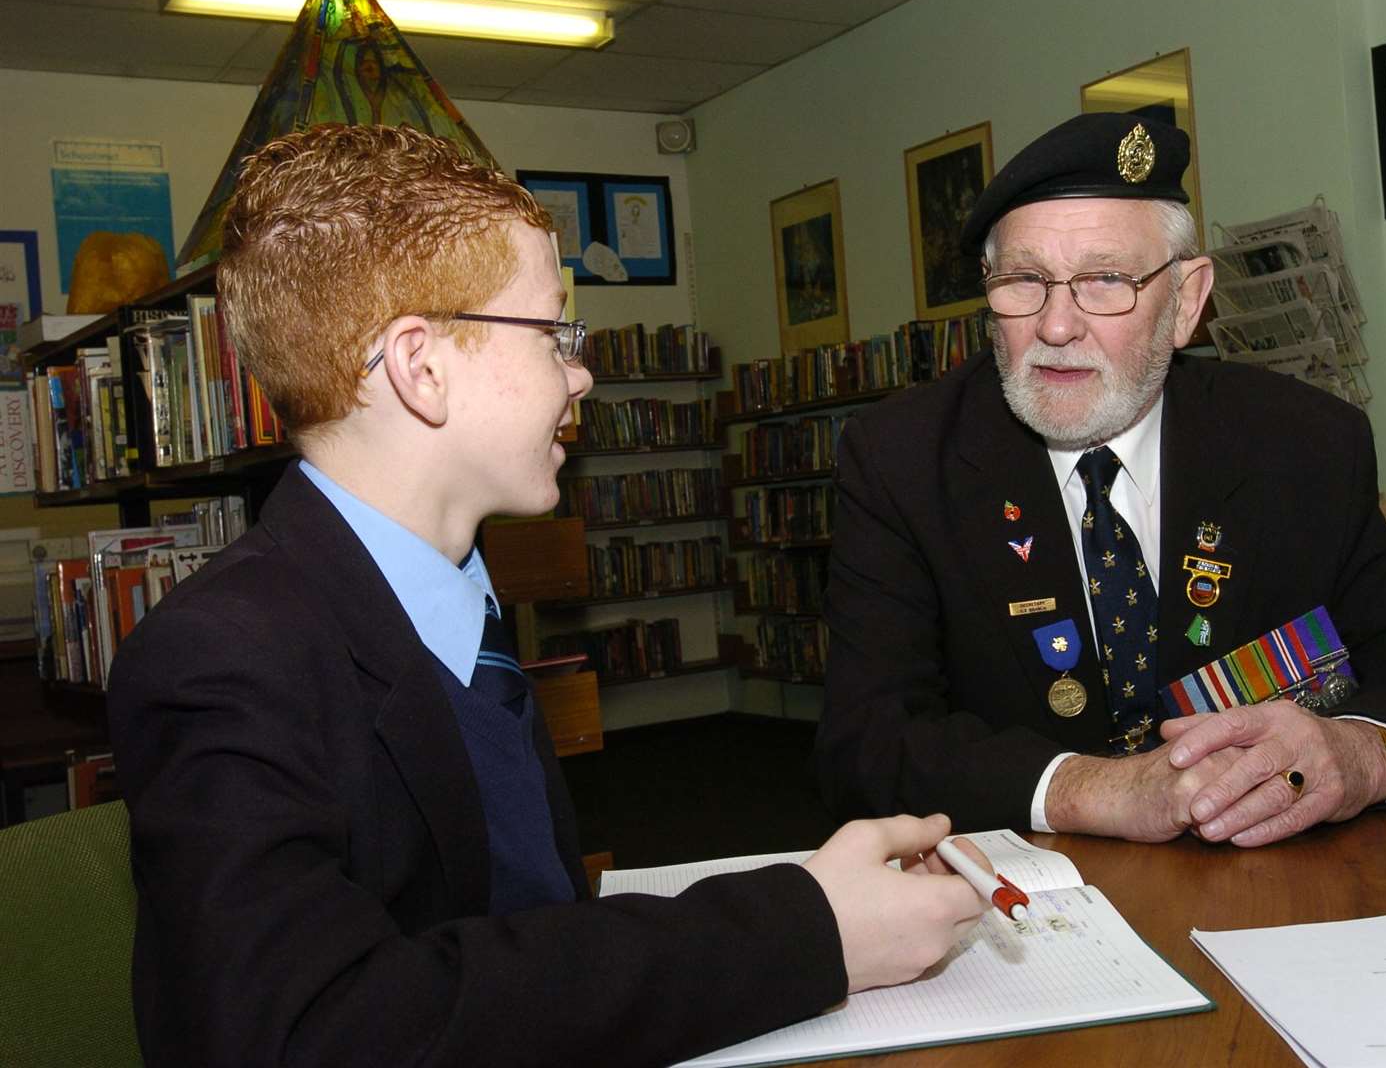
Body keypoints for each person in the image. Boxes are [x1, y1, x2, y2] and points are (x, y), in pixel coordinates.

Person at [107, 123, 988, 1067]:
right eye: (553, 332)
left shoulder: (452, 606)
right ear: (422, 367)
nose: (582, 373)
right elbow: (316, 1032)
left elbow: (520, 928)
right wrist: (806, 930)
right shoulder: (223, 657)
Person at [814, 112, 1386, 849]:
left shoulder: (1302, 443)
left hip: (1267, 886)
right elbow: (867, 742)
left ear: (1186, 301)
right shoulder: (901, 460)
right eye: (1022, 281)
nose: (1054, 326)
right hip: (1023, 900)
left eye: (1106, 280)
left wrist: (1358, 756)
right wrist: (1095, 790)